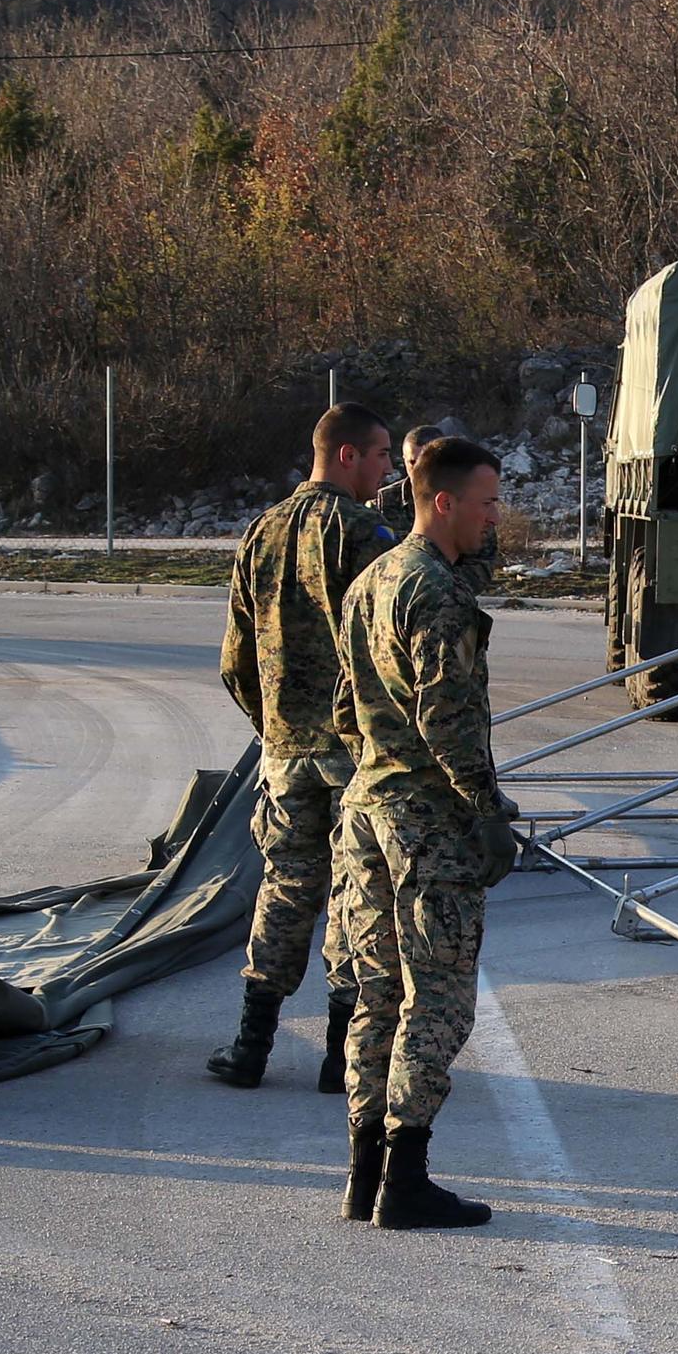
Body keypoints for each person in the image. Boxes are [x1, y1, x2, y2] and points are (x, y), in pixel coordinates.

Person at [328, 436, 519, 1231]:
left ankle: (363, 1169)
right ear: (443, 501)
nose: (494, 516)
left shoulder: (373, 578)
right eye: (485, 503)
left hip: (368, 811)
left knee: (374, 996)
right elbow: (449, 720)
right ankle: (406, 1177)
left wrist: (379, 771)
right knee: (435, 997)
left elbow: (344, 708)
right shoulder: (434, 594)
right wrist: (484, 810)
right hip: (426, 825)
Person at [208, 402, 396, 1091]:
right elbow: (389, 643)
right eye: (378, 456)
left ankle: (250, 1046)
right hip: (354, 750)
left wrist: (274, 725)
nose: (386, 470)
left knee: (285, 888)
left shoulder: (260, 531)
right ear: (346, 454)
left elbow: (234, 658)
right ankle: (337, 1057)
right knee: (355, 893)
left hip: (285, 747)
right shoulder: (365, 532)